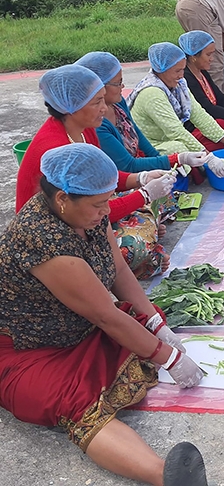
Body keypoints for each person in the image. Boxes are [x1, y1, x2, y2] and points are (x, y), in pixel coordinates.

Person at [1, 144, 208, 486]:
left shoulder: (85, 214)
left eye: (106, 201)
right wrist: (170, 358)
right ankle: (164, 476)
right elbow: (107, 317)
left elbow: (117, 269)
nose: (105, 211)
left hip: (79, 323)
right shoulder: (42, 239)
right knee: (72, 401)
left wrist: (156, 322)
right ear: (64, 199)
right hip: (31, 346)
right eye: (99, 204)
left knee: (140, 327)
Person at [15, 64, 176, 280]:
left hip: (87, 210)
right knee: (133, 248)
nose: (104, 107)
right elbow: (87, 209)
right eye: (97, 102)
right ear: (71, 107)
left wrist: (141, 178)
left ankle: (147, 226)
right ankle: (146, 234)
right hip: (61, 227)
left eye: (103, 99)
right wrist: (144, 195)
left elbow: (102, 179)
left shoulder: (85, 128)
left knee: (164, 196)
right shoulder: (56, 146)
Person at [76, 51, 210, 177]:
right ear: (99, 88)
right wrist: (172, 160)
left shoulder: (118, 103)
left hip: (137, 160)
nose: (122, 87)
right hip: (121, 174)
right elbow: (127, 166)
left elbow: (136, 132)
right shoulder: (97, 123)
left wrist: (157, 157)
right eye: (118, 83)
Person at [127, 43, 224, 177]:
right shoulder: (152, 93)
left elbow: (199, 114)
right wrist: (208, 157)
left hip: (169, 137)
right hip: (151, 144)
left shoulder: (179, 84)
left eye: (183, 70)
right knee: (179, 149)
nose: (181, 75)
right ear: (161, 70)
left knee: (209, 141)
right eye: (177, 71)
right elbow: (176, 131)